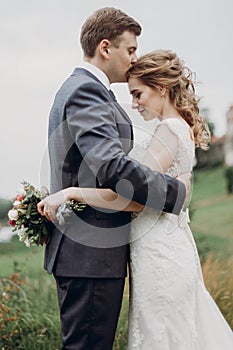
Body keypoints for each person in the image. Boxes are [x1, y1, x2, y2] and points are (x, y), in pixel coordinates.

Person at [39, 50, 233, 349]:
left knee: (163, 335)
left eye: (138, 93)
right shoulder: (171, 128)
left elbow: (131, 198)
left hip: (161, 255)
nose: (134, 102)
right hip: (159, 249)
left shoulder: (169, 130)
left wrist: (71, 192)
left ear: (162, 89)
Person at [39, 8, 187, 350]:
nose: (134, 59)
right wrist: (174, 192)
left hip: (88, 253)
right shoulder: (85, 91)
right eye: (130, 50)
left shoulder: (85, 89)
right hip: (89, 253)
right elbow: (112, 168)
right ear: (106, 48)